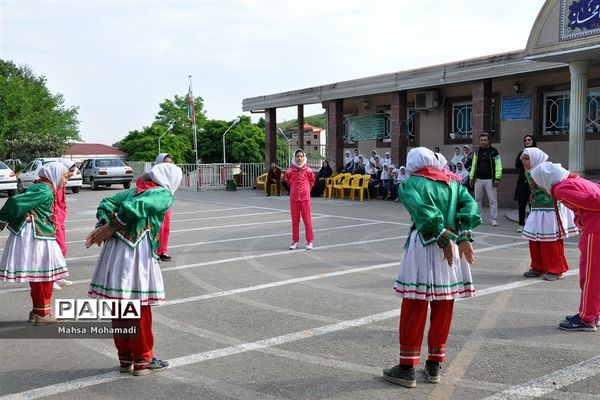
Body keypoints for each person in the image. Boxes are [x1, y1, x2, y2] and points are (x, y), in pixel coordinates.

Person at [383, 147, 481, 388]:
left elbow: (422, 212)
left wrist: (441, 235)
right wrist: (464, 236)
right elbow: (468, 206)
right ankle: (435, 364)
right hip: (452, 245)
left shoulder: (410, 184)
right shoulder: (454, 183)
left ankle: (406, 368)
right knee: (444, 304)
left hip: (425, 245)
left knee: (415, 303)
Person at [86, 162, 183, 375]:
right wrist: (110, 225)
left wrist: (106, 225)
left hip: (115, 253)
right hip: (136, 254)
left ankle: (126, 359)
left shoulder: (133, 192)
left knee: (121, 307)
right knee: (139, 307)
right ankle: (142, 360)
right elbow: (137, 208)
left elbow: (107, 202)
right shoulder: (162, 194)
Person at [530, 162, 600, 332]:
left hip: (595, 230)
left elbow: (595, 202)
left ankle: (587, 318)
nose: (537, 184)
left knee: (590, 277)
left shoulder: (561, 189)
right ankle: (592, 313)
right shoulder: (573, 181)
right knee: (595, 276)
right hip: (594, 227)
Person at [0, 162, 69, 325]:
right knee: (45, 275)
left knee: (41, 275)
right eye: (65, 177)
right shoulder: (44, 190)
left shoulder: (44, 188)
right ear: (56, 175)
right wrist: (2, 218)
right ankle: (42, 314)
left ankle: (40, 311)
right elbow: (16, 202)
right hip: (36, 235)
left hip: (39, 233)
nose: (66, 181)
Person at [520, 148, 578, 281]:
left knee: (550, 240)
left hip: (550, 210)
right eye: (523, 159)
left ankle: (556, 270)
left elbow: (563, 175)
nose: (524, 161)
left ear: (535, 158)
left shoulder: (544, 167)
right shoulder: (528, 171)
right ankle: (538, 267)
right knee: (534, 239)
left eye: (526, 158)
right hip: (536, 209)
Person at [52, 158, 78, 289]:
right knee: (57, 249)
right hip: (53, 222)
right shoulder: (53, 185)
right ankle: (50, 279)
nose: (72, 174)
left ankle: (59, 276)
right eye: (71, 171)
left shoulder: (62, 183)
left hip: (60, 220)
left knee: (62, 249)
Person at [469, 132, 503, 226]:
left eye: (485, 140)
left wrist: (497, 178)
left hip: (490, 180)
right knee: (477, 200)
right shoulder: (477, 152)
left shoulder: (494, 152)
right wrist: (471, 177)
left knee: (493, 201)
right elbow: (474, 165)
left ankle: (494, 219)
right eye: (481, 140)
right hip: (478, 180)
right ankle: (479, 218)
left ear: (489, 141)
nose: (483, 142)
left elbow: (498, 165)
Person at [285, 149, 315, 250]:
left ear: (304, 157)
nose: (299, 158)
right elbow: (287, 181)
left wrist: (306, 190)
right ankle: (295, 241)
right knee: (295, 221)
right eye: (297, 156)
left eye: (301, 156)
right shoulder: (289, 171)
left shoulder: (308, 170)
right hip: (294, 199)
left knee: (307, 220)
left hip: (305, 198)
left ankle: (309, 241)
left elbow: (312, 181)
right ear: (295, 157)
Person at [154, 153, 174, 261]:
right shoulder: (153, 174)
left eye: (170, 163)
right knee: (157, 228)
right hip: (156, 203)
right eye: (166, 162)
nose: (168, 165)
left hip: (166, 203)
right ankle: (154, 252)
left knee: (166, 228)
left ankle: (163, 251)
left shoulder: (170, 175)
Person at [514, 135, 536, 232]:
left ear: (533, 141)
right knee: (522, 204)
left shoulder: (537, 152)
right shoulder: (522, 153)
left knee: (533, 204)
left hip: (534, 180)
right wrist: (522, 158)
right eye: (525, 140)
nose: (527, 141)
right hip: (523, 180)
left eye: (529, 139)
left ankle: (533, 225)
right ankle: (521, 224)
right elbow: (517, 165)